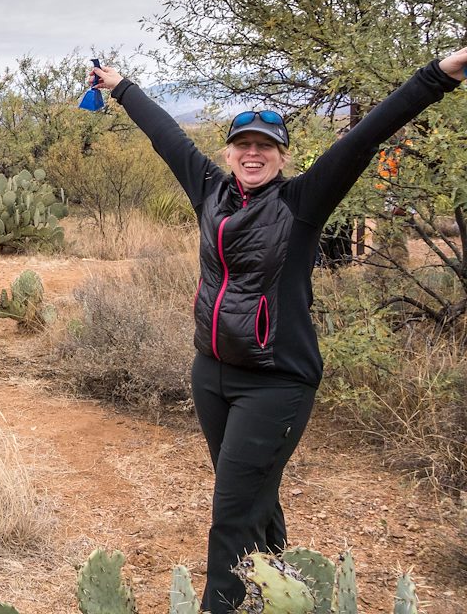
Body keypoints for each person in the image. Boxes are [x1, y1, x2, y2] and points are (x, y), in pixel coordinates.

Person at [88, 47, 467, 613]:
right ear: (229, 151)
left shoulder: (302, 203)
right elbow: (166, 136)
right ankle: (280, 594)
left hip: (276, 382)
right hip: (211, 373)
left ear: (283, 155)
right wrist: (120, 87)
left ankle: (227, 606)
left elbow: (363, 137)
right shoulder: (210, 192)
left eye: (266, 146)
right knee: (255, 500)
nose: (253, 153)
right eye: (244, 144)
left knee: (231, 512)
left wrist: (440, 74)